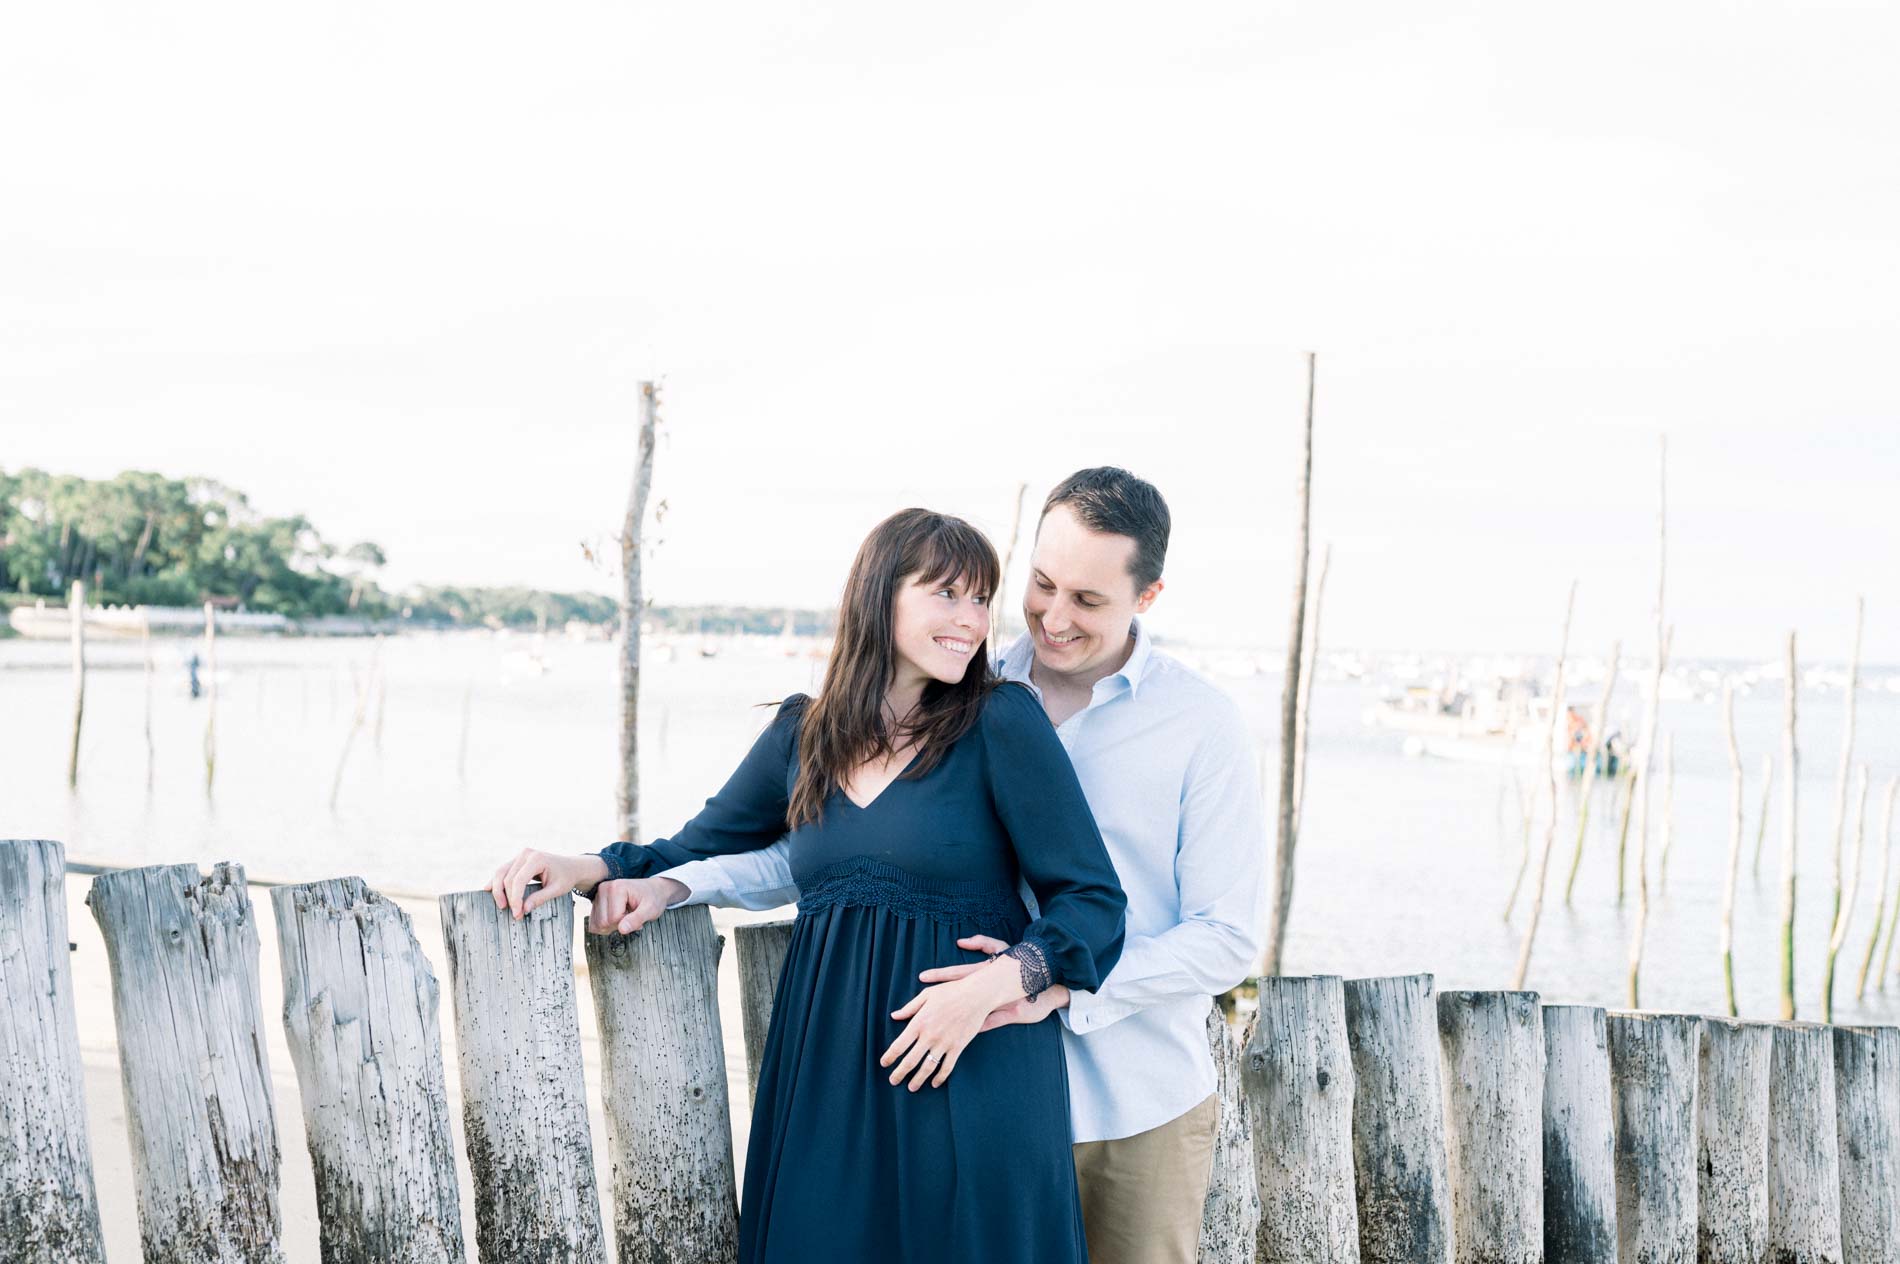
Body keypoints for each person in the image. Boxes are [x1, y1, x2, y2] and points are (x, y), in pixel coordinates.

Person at [599, 468, 1268, 1264]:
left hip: (1128, 1094)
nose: (1052, 618)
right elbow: (825, 852)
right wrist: (637, 874)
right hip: (951, 1068)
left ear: (1146, 598)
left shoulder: (1199, 724)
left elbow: (1225, 936)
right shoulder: (971, 689)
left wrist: (1042, 979)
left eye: (1086, 601)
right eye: (1040, 586)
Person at [489, 507, 1126, 1264]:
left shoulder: (1000, 721)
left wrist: (999, 982)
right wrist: (592, 867)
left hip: (970, 1065)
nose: (971, 620)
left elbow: (1092, 901)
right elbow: (696, 845)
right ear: (880, 596)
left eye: (981, 597)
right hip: (826, 1073)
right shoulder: (804, 734)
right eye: (946, 594)